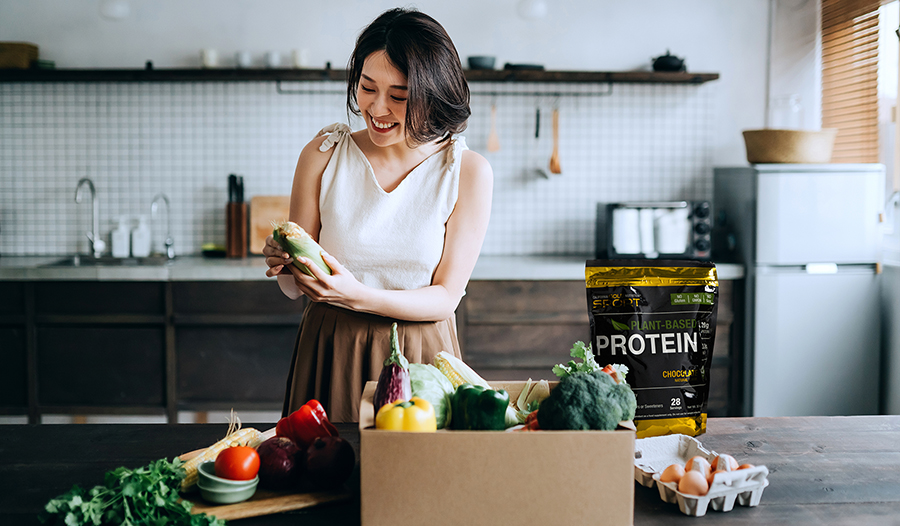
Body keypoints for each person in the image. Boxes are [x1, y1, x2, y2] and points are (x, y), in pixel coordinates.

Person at [262, 7, 493, 423]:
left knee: (419, 481)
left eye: (400, 96)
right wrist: (284, 262)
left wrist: (359, 297)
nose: (377, 108)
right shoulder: (323, 155)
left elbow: (446, 297)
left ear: (433, 93)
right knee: (325, 476)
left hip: (421, 356)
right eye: (367, 88)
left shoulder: (467, 171)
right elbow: (292, 289)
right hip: (332, 346)